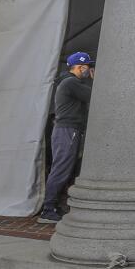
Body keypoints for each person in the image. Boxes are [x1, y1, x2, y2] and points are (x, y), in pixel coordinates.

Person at [38, 52, 94, 224]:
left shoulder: (71, 82)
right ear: (81, 67)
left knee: (63, 168)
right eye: (88, 67)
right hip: (67, 130)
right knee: (61, 169)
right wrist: (93, 79)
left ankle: (52, 206)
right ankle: (48, 210)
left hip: (66, 130)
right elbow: (95, 96)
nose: (90, 70)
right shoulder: (71, 82)